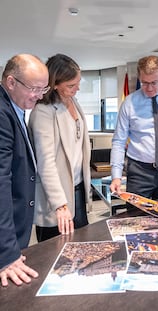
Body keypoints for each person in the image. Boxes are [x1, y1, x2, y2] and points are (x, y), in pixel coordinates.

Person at [28, 54, 91, 242]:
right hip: (57, 197)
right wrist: (60, 204)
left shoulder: (74, 102)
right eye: (71, 85)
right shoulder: (43, 112)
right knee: (56, 253)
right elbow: (45, 163)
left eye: (78, 83)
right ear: (55, 84)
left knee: (82, 247)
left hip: (78, 189)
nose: (77, 89)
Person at [110, 55, 158, 201]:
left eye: (154, 82)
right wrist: (116, 176)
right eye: (144, 83)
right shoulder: (129, 103)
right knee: (136, 220)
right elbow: (119, 141)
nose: (150, 88)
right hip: (139, 172)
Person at [0, 54, 49, 286]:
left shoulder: (15, 108)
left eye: (44, 89)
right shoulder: (1, 114)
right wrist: (6, 253)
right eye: (35, 88)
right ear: (11, 82)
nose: (40, 96)